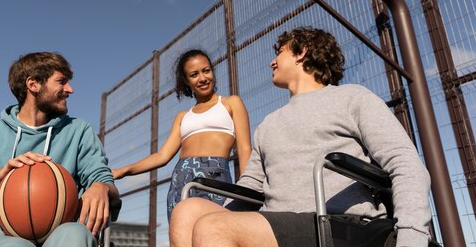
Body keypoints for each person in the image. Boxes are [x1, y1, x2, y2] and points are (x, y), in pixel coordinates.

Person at [169, 27, 432, 247]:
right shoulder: (269, 123)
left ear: (301, 52)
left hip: (337, 222)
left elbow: (405, 162)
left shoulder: (352, 97)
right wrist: (224, 217)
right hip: (280, 223)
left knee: (214, 226)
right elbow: (249, 185)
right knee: (188, 211)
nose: (272, 61)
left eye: (279, 53)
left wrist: (412, 235)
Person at [0, 52, 118, 247]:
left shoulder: (79, 130)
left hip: (61, 231)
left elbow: (105, 180)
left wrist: (100, 186)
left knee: (76, 234)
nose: (70, 89)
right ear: (33, 84)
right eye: (62, 81)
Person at [112, 49, 251, 221]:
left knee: (214, 232)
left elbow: (244, 148)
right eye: (194, 74)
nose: (202, 78)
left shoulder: (231, 103)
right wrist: (123, 170)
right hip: (181, 180)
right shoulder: (183, 117)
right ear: (186, 80)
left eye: (206, 71)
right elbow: (162, 156)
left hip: (215, 179)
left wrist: (245, 189)